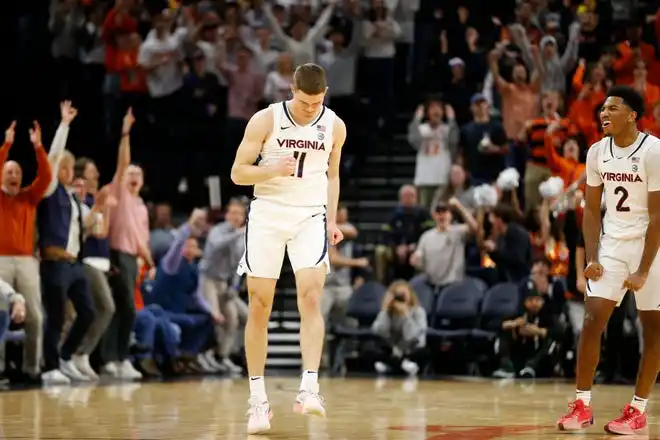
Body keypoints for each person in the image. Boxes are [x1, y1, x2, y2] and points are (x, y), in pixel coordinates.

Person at [230, 63, 346, 434]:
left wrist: (331, 221)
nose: (310, 108)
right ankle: (258, 402)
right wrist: (269, 170)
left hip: (310, 215)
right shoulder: (266, 120)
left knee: (311, 297)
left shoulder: (335, 126)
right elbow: (237, 172)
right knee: (259, 305)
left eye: (316, 101)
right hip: (267, 214)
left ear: (324, 94)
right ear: (291, 90)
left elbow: (333, 174)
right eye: (304, 100)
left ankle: (309, 388)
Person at [557, 85, 660, 435]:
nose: (603, 114)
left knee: (654, 329)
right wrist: (593, 256)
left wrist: (645, 268)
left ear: (632, 115)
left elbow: (659, 216)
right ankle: (582, 404)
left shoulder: (654, 151)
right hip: (613, 244)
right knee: (592, 317)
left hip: (652, 245)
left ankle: (638, 408)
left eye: (612, 108)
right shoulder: (597, 151)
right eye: (602, 108)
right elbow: (589, 210)